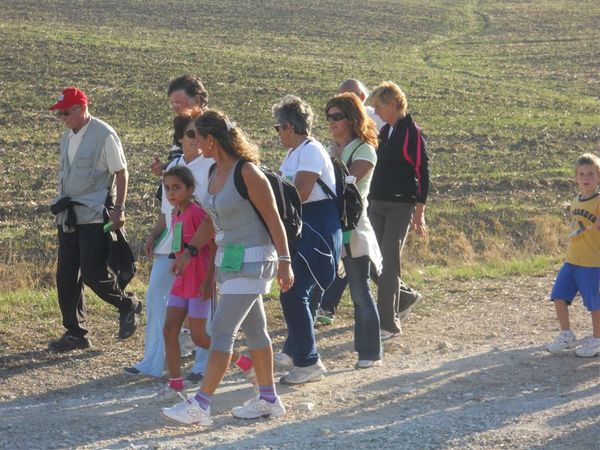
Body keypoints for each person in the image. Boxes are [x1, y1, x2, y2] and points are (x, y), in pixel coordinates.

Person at [162, 110, 294, 425]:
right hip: (229, 263)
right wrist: (189, 253)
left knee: (220, 331)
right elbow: (211, 221)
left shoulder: (247, 172)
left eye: (197, 137)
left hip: (254, 261)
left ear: (212, 139)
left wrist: (285, 262)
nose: (194, 143)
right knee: (255, 331)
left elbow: (273, 218)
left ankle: (201, 404)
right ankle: (269, 398)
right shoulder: (213, 174)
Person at [48, 87, 142, 351]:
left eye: (66, 112)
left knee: (92, 274)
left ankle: (128, 305)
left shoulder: (104, 135)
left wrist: (119, 209)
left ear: (81, 109)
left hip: (95, 214)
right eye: (60, 114)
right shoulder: (67, 136)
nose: (62, 118)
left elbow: (121, 173)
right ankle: (76, 333)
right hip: (68, 215)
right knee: (66, 276)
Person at [124, 115, 213, 381]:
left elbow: (212, 217)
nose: (195, 138)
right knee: (154, 298)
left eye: (199, 133)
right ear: (179, 138)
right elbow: (167, 211)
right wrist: (154, 233)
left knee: (203, 308)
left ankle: (203, 365)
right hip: (171, 247)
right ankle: (153, 361)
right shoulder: (172, 165)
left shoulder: (212, 164)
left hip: (202, 250)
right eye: (189, 133)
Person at [272, 95, 342, 383]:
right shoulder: (295, 152)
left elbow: (300, 193)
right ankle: (294, 349)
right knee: (301, 293)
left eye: (277, 128)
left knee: (293, 293)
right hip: (307, 226)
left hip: (317, 228)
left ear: (289, 126)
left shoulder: (310, 151)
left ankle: (308, 362)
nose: (276, 134)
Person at [324, 93, 383, 368]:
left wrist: (334, 160)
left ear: (352, 118)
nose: (332, 122)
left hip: (354, 227)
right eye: (329, 117)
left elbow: (347, 182)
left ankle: (370, 352)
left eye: (337, 116)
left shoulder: (364, 150)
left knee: (360, 291)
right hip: (334, 226)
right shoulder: (332, 149)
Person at [368, 81, 430, 340]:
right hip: (376, 203)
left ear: (393, 103)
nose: (377, 111)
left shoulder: (412, 133)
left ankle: (388, 325)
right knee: (371, 260)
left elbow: (422, 172)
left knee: (389, 263)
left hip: (400, 205)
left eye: (379, 106)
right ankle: (405, 298)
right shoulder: (385, 132)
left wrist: (419, 213)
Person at [157, 166, 213, 399]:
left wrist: (209, 280)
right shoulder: (175, 213)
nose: (171, 193)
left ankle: (241, 360)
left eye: (177, 188)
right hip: (181, 281)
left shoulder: (197, 213)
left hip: (198, 281)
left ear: (190, 189)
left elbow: (212, 245)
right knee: (169, 330)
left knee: (199, 337)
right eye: (167, 188)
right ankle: (175, 384)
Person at [545, 153, 600, 358]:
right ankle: (566, 335)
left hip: (592, 262)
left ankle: (597, 340)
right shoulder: (575, 201)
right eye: (582, 174)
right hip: (572, 259)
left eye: (591, 174)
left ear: (598, 177)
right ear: (576, 178)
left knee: (595, 303)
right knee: (558, 295)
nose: (586, 178)